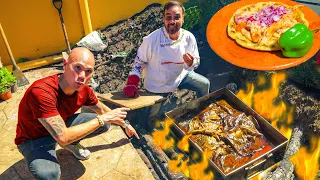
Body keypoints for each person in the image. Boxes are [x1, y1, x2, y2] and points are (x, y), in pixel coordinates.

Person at [15, 47, 139, 180]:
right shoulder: (41, 92)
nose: (82, 76)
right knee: (49, 174)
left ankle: (72, 143)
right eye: (77, 67)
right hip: (34, 138)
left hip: (62, 125)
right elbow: (63, 136)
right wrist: (102, 119)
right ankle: (65, 144)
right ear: (65, 65)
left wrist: (125, 125)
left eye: (88, 71)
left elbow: (102, 110)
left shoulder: (83, 89)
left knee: (105, 124)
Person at [123, 1, 210, 99]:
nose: (172, 21)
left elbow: (197, 60)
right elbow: (139, 61)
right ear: (163, 19)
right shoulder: (151, 39)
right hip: (158, 85)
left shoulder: (189, 37)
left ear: (183, 19)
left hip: (181, 76)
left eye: (177, 17)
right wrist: (132, 83)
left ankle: (202, 106)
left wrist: (191, 62)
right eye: (168, 17)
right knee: (151, 113)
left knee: (204, 84)